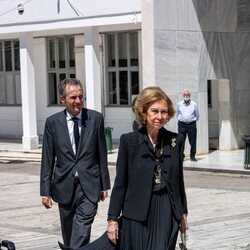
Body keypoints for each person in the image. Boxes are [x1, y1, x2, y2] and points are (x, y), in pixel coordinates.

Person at [107, 86, 189, 250]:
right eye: (155, 111)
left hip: (166, 208)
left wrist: (183, 214)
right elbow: (120, 183)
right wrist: (112, 219)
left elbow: (179, 181)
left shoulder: (176, 141)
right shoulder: (129, 141)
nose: (160, 116)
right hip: (137, 213)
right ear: (144, 112)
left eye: (164, 112)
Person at [40, 78, 111, 249]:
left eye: (81, 96)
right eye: (73, 97)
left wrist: (104, 185)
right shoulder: (52, 123)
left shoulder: (95, 119)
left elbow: (102, 153)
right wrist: (45, 191)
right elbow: (48, 158)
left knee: (81, 230)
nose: (78, 101)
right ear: (63, 99)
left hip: (89, 185)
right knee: (69, 233)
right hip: (64, 186)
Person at [177, 89, 199, 162]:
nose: (186, 96)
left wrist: (192, 120)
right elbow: (178, 114)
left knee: (193, 141)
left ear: (190, 96)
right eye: (185, 95)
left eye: (187, 95)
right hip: (182, 125)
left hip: (191, 125)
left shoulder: (194, 104)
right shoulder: (179, 104)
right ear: (183, 96)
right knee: (181, 140)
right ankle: (181, 156)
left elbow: (197, 115)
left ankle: (192, 156)